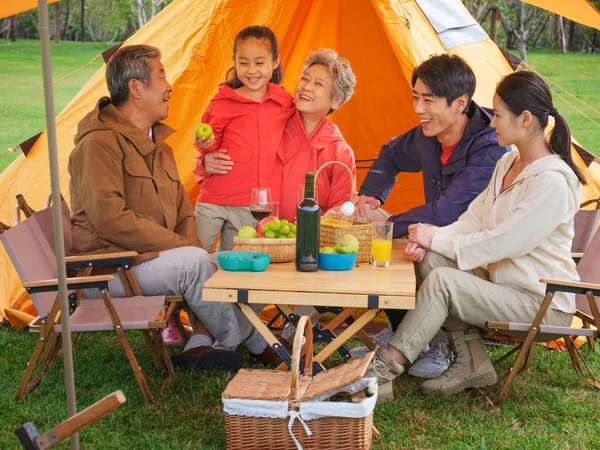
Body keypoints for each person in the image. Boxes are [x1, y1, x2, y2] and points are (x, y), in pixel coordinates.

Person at [370, 70, 585, 396]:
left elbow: (505, 243)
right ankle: (472, 362)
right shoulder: (507, 163)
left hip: (541, 301)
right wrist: (427, 237)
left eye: (498, 115)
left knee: (444, 280)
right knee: (433, 258)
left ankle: (383, 369)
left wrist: (438, 238)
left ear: (525, 119)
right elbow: (474, 220)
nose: (491, 122)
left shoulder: (552, 181)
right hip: (501, 286)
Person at [68, 44, 278, 371]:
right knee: (194, 264)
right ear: (136, 88)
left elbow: (182, 210)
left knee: (225, 261)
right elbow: (110, 219)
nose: (169, 86)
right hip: (108, 270)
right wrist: (184, 248)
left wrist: (189, 246)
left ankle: (200, 346)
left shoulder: (158, 146)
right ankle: (258, 343)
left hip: (150, 261)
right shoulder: (97, 144)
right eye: (162, 75)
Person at [352, 54, 510, 377]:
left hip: (474, 255)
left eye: (428, 100)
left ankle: (438, 342)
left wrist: (391, 225)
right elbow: (391, 153)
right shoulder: (428, 137)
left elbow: (447, 212)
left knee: (397, 238)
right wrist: (370, 196)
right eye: (415, 98)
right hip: (432, 235)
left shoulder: (489, 147)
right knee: (370, 218)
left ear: (459, 103)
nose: (419, 109)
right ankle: (406, 333)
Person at [199, 48, 358, 222]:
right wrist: (205, 164)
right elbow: (229, 155)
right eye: (305, 79)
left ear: (337, 100)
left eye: (318, 84)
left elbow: (342, 209)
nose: (307, 87)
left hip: (312, 241)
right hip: (258, 233)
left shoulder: (340, 152)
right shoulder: (272, 123)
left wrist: (335, 216)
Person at [193, 25, 295, 252]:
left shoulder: (284, 102)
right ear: (235, 62)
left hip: (252, 207)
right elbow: (210, 140)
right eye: (243, 63)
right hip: (213, 200)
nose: (251, 70)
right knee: (195, 256)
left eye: (259, 63)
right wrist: (205, 145)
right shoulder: (222, 101)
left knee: (234, 265)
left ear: (275, 62)